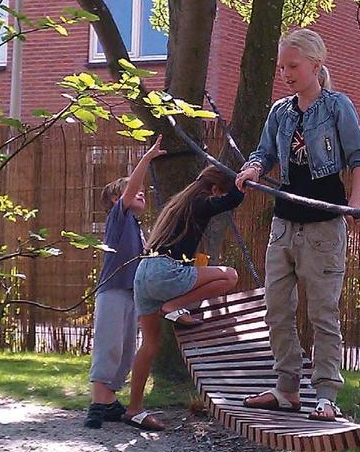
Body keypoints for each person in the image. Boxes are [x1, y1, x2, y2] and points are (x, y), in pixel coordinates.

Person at [235, 29, 360, 421]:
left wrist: (356, 205)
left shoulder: (336, 107)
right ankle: (286, 389)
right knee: (276, 308)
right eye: (282, 67)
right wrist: (253, 168)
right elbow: (263, 152)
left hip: (323, 227)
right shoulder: (280, 112)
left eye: (292, 66)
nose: (286, 73)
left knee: (322, 313)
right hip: (284, 223)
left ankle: (326, 394)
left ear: (316, 64)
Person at [123, 165, 244, 431]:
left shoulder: (178, 203)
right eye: (218, 193)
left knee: (150, 343)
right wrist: (247, 178)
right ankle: (174, 306)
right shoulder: (201, 201)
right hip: (165, 272)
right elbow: (234, 198)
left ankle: (134, 409)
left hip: (144, 273)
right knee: (230, 276)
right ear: (214, 189)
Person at [84, 137, 165, 430]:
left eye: (143, 191)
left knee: (128, 349)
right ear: (118, 201)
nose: (140, 192)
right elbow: (133, 185)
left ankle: (108, 401)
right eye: (132, 191)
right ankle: (96, 403)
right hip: (112, 291)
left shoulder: (136, 228)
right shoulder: (117, 219)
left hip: (131, 294)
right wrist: (148, 158)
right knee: (109, 345)